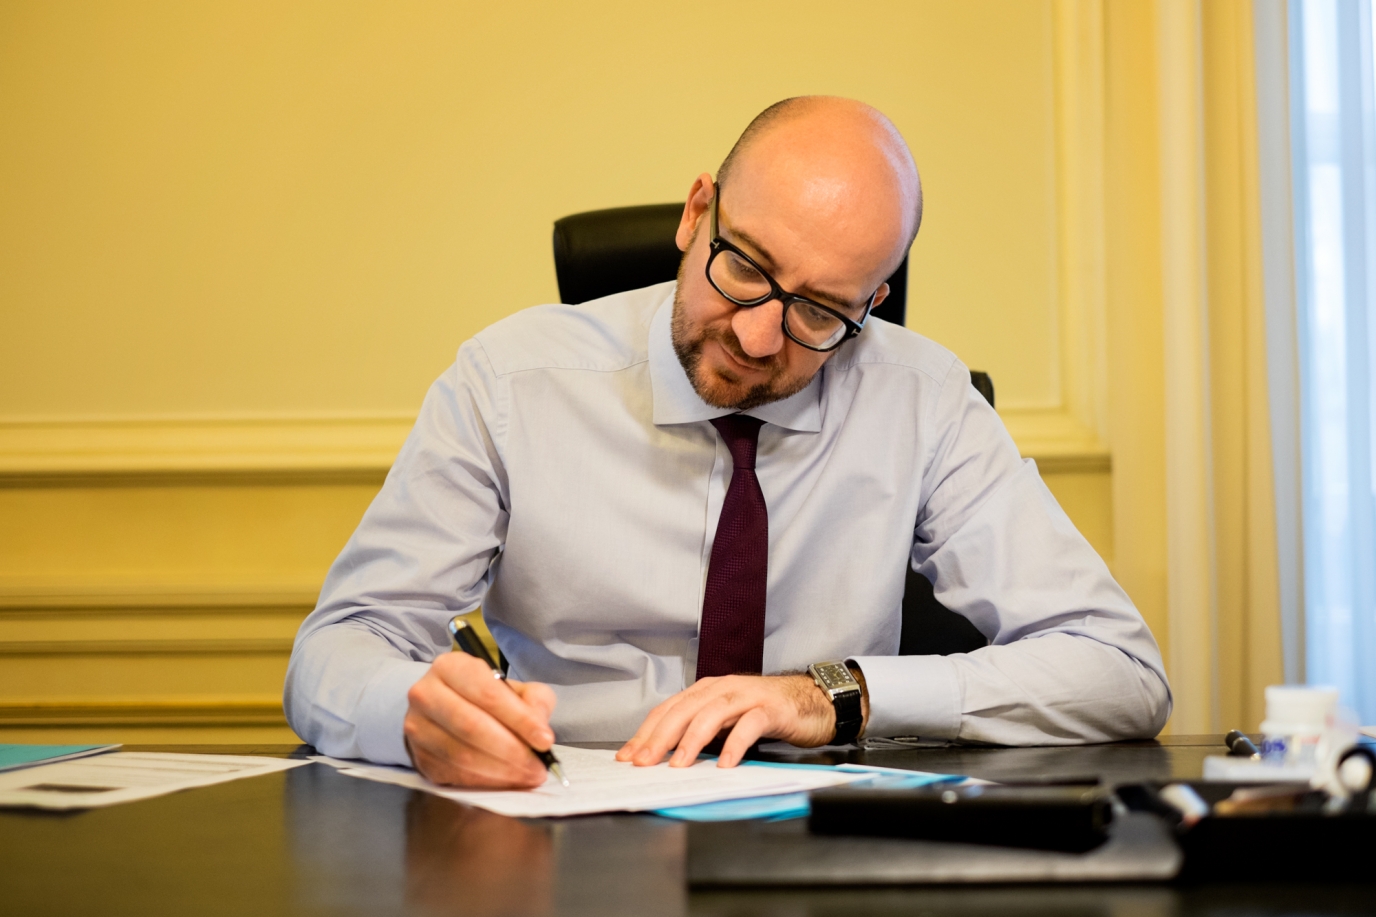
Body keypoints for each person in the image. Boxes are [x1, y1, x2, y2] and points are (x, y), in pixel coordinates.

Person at [284, 96, 1171, 789]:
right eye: (743, 266)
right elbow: (338, 647)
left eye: (821, 311)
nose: (756, 339)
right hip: (560, 824)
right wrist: (411, 710)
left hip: (821, 848)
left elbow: (1121, 670)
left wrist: (836, 694)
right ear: (696, 211)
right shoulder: (510, 383)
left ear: (874, 304)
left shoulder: (923, 401)